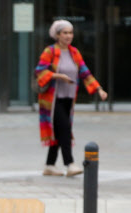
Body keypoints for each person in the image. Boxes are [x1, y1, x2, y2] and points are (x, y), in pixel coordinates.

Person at [35, 20, 108, 177]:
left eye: (71, 33)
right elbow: (39, 71)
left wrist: (99, 89)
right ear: (57, 35)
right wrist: (59, 75)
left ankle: (49, 165)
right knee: (65, 130)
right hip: (53, 101)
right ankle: (70, 164)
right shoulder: (50, 51)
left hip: (69, 99)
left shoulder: (74, 52)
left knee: (60, 131)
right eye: (65, 33)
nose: (69, 36)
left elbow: (85, 73)